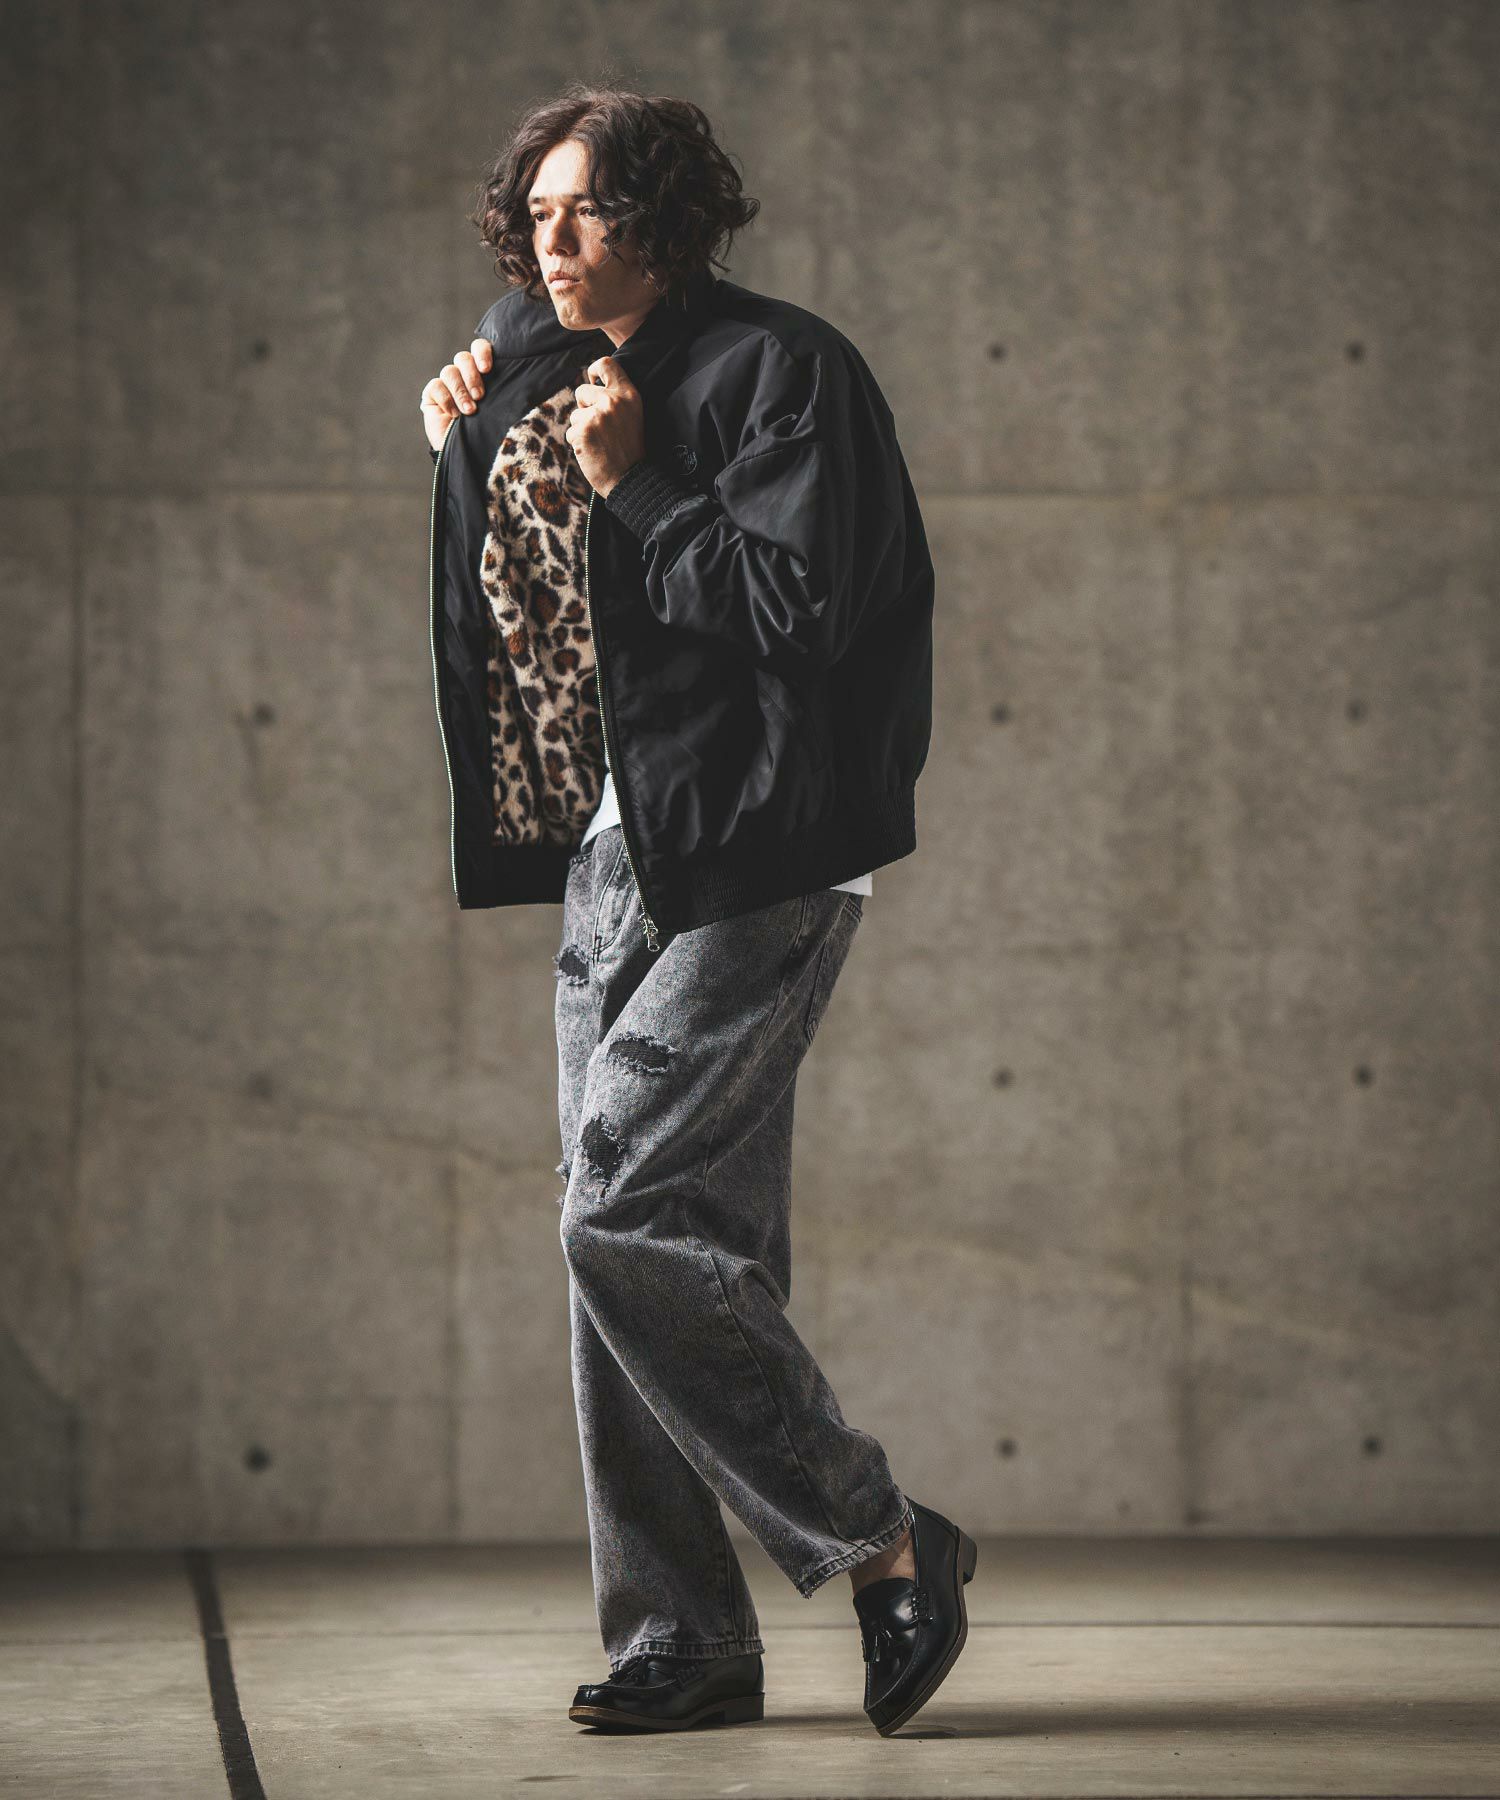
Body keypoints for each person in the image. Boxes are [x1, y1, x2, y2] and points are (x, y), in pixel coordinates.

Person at [418, 80, 976, 1735]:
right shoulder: (543, 370)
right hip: (616, 854)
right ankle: (686, 1637)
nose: (555, 242)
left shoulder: (785, 370)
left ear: (666, 214)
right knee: (645, 1257)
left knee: (619, 1211)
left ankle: (884, 1538)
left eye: (589, 209)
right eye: (536, 216)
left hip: (762, 849)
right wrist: (463, 438)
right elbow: (530, 606)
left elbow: (803, 607)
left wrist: (642, 487)